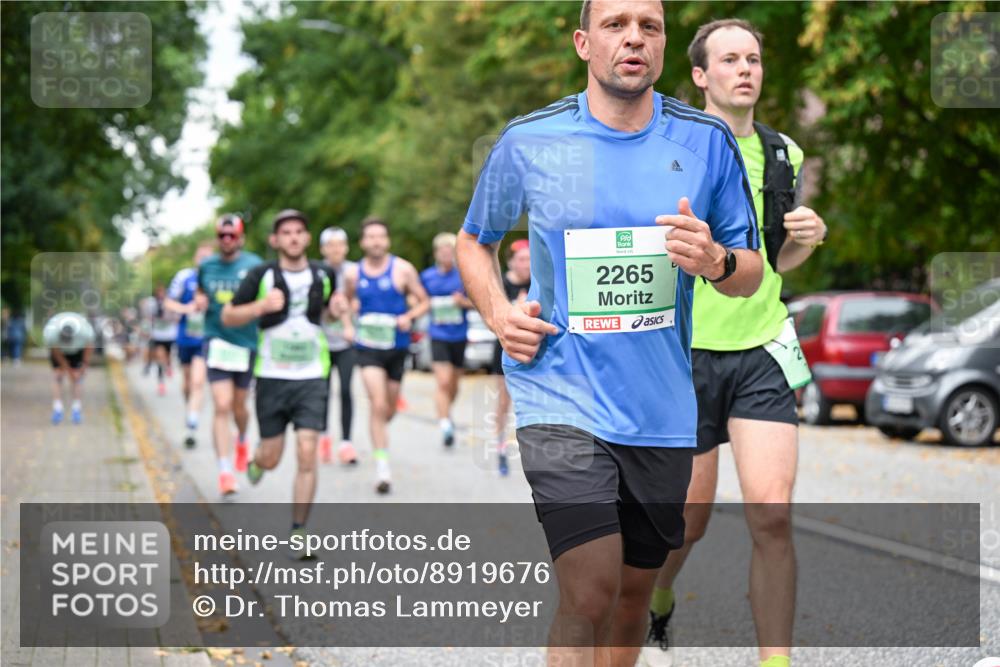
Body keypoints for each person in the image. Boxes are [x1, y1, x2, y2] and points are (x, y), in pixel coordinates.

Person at [456, 1, 763, 664]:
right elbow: (473, 241)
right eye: (616, 24)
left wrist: (715, 262)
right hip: (559, 396)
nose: (633, 38)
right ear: (583, 43)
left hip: (659, 410)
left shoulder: (706, 143)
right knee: (589, 589)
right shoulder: (531, 141)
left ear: (663, 46)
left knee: (630, 595)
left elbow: (750, 271)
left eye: (649, 27)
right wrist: (499, 312)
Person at [641, 20, 826, 667]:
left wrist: (806, 236)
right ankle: (656, 598)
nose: (745, 68)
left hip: (762, 348)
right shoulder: (666, 150)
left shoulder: (783, 154)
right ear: (700, 76)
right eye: (729, 59)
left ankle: (776, 661)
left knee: (771, 513)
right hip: (684, 355)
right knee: (685, 520)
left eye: (753, 58)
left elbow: (774, 266)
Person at [224, 209, 339, 558]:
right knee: (272, 457)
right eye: (285, 232)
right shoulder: (260, 275)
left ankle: (299, 530)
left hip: (311, 376)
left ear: (306, 238)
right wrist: (260, 306)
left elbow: (330, 312)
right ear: (275, 240)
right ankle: (258, 462)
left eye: (298, 231)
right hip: (272, 376)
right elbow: (229, 316)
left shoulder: (324, 274)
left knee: (307, 451)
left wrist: (341, 309)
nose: (292, 237)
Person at [343, 217, 430, 494]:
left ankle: (381, 424)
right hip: (367, 348)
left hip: (396, 347)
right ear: (362, 242)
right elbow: (344, 301)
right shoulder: (354, 274)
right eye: (370, 237)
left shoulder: (403, 270)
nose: (376, 241)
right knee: (377, 402)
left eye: (380, 236)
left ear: (387, 240)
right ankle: (382, 469)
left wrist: (409, 316)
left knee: (388, 408)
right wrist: (347, 324)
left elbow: (424, 301)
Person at [198, 214, 263, 495]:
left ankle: (242, 439)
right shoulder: (207, 266)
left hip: (246, 343)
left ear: (241, 238)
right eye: (222, 236)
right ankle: (225, 471)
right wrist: (200, 300)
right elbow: (201, 292)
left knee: (239, 407)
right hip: (217, 341)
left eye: (232, 236)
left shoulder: (254, 265)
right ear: (217, 238)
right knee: (221, 405)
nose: (227, 240)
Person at [420, 232, 475, 448]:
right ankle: (445, 425)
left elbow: (477, 302)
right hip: (438, 335)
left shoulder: (463, 275)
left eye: (450, 251)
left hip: (459, 335)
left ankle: (446, 412)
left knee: (454, 384)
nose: (446, 254)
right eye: (442, 250)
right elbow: (415, 298)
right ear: (436, 253)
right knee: (443, 381)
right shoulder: (427, 277)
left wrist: (463, 302)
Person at [165, 243, 214, 448]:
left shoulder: (216, 279)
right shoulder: (185, 277)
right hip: (185, 338)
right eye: (201, 256)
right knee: (187, 382)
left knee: (197, 382)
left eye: (208, 257)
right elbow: (168, 302)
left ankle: (192, 424)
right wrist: (187, 308)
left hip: (205, 339)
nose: (204, 261)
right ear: (195, 258)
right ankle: (190, 409)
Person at [317, 227, 359, 465]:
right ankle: (323, 438)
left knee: (345, 390)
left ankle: (346, 443)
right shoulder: (317, 271)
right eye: (330, 245)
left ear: (346, 247)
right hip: (321, 342)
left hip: (346, 341)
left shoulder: (354, 272)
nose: (335, 249)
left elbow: (360, 300)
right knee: (322, 392)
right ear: (323, 249)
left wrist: (350, 310)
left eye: (339, 244)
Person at [490, 239, 530, 476]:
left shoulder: (540, 282)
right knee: (504, 403)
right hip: (505, 350)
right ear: (511, 262)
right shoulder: (501, 286)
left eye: (529, 259)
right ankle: (501, 448)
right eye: (522, 259)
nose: (527, 264)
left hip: (535, 351)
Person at [43, 311, 96, 425]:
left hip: (77, 351)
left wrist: (84, 365)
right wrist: (67, 369)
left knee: (77, 378)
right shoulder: (51, 333)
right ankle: (57, 408)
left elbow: (89, 346)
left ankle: (76, 409)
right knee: (58, 376)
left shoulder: (85, 331)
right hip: (59, 352)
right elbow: (56, 352)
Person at [148, 285, 178, 396]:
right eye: (159, 292)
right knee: (160, 358)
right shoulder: (153, 304)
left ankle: (168, 366)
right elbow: (149, 318)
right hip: (158, 336)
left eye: (162, 292)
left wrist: (168, 314)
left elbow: (176, 317)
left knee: (168, 356)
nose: (161, 295)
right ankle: (161, 384)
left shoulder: (170, 303)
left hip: (169, 335)